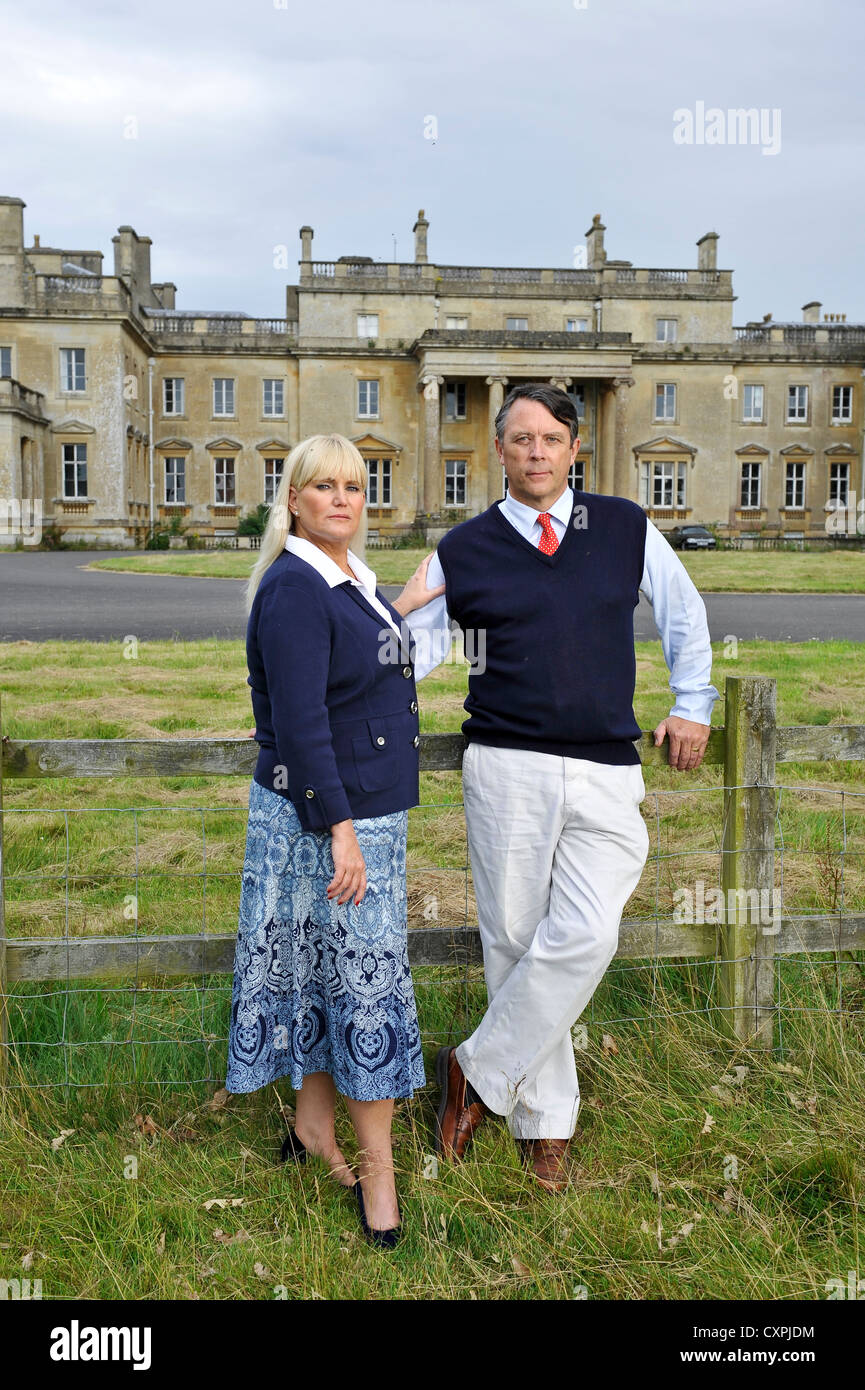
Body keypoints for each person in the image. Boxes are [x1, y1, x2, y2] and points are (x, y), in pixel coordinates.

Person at [404, 383, 720, 1192]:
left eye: (550, 439)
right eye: (520, 440)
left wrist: (691, 704)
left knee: (585, 935)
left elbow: (682, 615)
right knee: (513, 941)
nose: (535, 453)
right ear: (499, 452)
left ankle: (474, 1070)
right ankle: (548, 1129)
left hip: (609, 767)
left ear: (572, 448)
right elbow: (406, 655)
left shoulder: (620, 528)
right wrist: (382, 615)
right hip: (506, 765)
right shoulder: (464, 549)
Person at [225, 433, 444, 1247]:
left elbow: (360, 668)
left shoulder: (349, 579)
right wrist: (342, 832)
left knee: (330, 979)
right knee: (367, 991)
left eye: (355, 485)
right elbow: (303, 722)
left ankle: (313, 1130)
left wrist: (405, 607)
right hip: (326, 819)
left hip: (362, 814)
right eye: (324, 488)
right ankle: (380, 1178)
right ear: (293, 500)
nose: (344, 499)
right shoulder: (293, 587)